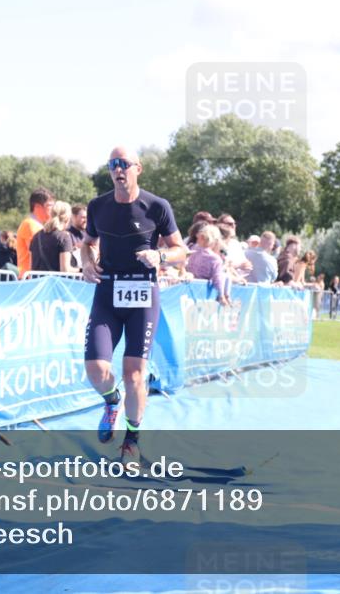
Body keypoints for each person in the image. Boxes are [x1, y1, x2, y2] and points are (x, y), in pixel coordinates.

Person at [80, 147, 187, 463]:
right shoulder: (98, 205)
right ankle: (112, 401)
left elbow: (181, 249)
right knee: (97, 370)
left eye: (123, 164)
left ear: (137, 168)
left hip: (142, 294)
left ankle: (131, 440)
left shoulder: (156, 206)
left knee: (134, 374)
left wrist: (161, 256)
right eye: (112, 164)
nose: (118, 169)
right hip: (107, 291)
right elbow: (87, 244)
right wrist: (86, 263)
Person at [186, 223, 230, 305]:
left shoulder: (191, 250)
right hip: (203, 294)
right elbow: (218, 278)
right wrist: (221, 296)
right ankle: (228, 296)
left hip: (188, 289)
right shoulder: (214, 259)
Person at [16, 188, 54, 279]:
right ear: (37, 206)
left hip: (33, 277)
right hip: (29, 278)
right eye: (49, 206)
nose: (53, 210)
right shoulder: (30, 224)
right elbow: (39, 252)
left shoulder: (36, 225)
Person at [31, 201, 76, 273]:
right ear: (67, 219)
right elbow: (65, 270)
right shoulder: (64, 238)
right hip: (55, 283)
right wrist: (81, 270)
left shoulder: (36, 236)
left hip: (37, 282)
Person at [68, 204, 88, 269]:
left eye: (87, 217)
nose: (86, 220)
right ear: (73, 217)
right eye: (83, 217)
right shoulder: (67, 235)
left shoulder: (88, 235)